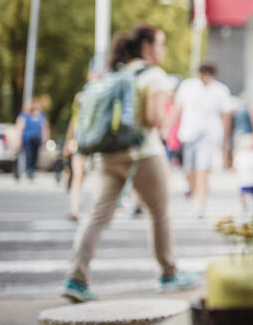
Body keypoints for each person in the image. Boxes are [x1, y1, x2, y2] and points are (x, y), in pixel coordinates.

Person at [61, 24, 198, 302]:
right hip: (144, 154)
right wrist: (175, 110)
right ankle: (169, 273)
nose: (164, 49)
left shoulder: (117, 73)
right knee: (159, 213)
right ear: (146, 47)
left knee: (97, 216)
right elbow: (154, 121)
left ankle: (76, 278)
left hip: (109, 155)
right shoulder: (154, 76)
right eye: (161, 43)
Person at [172, 62, 232, 219]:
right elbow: (177, 109)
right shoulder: (187, 87)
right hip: (188, 134)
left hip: (209, 135)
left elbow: (225, 116)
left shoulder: (220, 90)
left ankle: (199, 205)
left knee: (202, 169)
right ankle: (196, 189)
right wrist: (167, 127)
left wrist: (225, 141)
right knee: (188, 170)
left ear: (210, 74)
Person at [14, 98, 50, 181]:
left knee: (35, 155)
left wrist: (46, 138)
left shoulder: (42, 115)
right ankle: (29, 170)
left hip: (37, 138)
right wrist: (18, 139)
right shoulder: (25, 115)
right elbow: (19, 127)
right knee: (29, 154)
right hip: (28, 138)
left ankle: (32, 169)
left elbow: (45, 127)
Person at [232, 134, 253, 217]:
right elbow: (235, 166)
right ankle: (244, 205)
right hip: (243, 180)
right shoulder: (239, 154)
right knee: (242, 194)